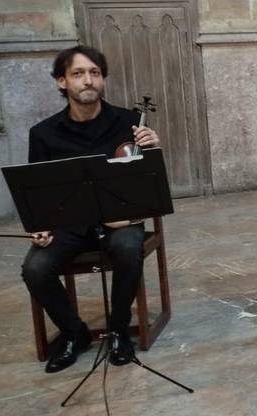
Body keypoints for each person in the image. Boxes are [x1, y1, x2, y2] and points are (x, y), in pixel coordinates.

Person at [22, 45, 161, 373]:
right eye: (78, 74)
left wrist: (153, 151)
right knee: (35, 269)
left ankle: (118, 330)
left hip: (120, 220)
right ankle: (74, 333)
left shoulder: (129, 124)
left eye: (95, 73)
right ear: (61, 82)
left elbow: (148, 186)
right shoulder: (43, 134)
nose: (88, 81)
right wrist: (39, 225)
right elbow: (36, 194)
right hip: (68, 226)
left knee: (129, 247)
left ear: (103, 80)